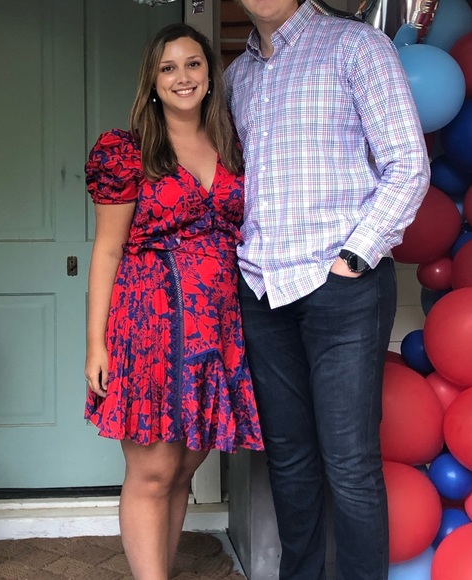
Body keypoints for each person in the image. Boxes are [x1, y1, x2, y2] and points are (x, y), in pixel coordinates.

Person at [225, 1, 430, 579]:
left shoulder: (356, 47)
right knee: (289, 460)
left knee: (350, 463)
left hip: (341, 287)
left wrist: (355, 257)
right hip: (263, 289)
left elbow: (407, 164)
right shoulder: (237, 77)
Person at [84, 22, 263, 580]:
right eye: (168, 68)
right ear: (153, 81)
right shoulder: (128, 150)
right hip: (150, 327)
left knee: (184, 467)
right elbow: (107, 250)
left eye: (192, 64)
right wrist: (95, 344)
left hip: (217, 328)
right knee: (153, 471)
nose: (182, 77)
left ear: (210, 75)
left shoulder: (234, 142)